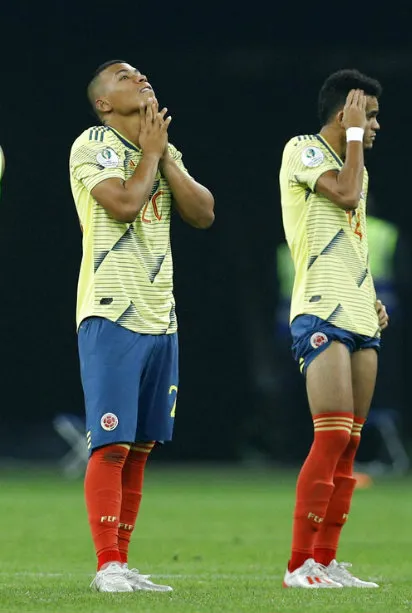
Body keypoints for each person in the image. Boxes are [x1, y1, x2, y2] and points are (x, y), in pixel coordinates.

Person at [70, 60, 215, 592]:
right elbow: (126, 203)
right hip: (112, 311)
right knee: (111, 444)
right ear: (104, 102)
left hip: (161, 316)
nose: (140, 77)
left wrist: (163, 154)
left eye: (141, 73)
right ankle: (106, 566)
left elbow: (203, 212)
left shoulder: (159, 150)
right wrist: (152, 153)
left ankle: (122, 563)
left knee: (140, 447)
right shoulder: (92, 144)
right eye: (123, 76)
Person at [278, 69, 389, 589]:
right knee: (331, 435)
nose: (375, 126)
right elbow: (343, 196)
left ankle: (325, 560)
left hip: (359, 312)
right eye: (369, 115)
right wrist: (349, 136)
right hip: (320, 309)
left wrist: (371, 295)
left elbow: (352, 238)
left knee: (350, 444)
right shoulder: (303, 149)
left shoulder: (355, 167)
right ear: (342, 113)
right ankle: (299, 564)